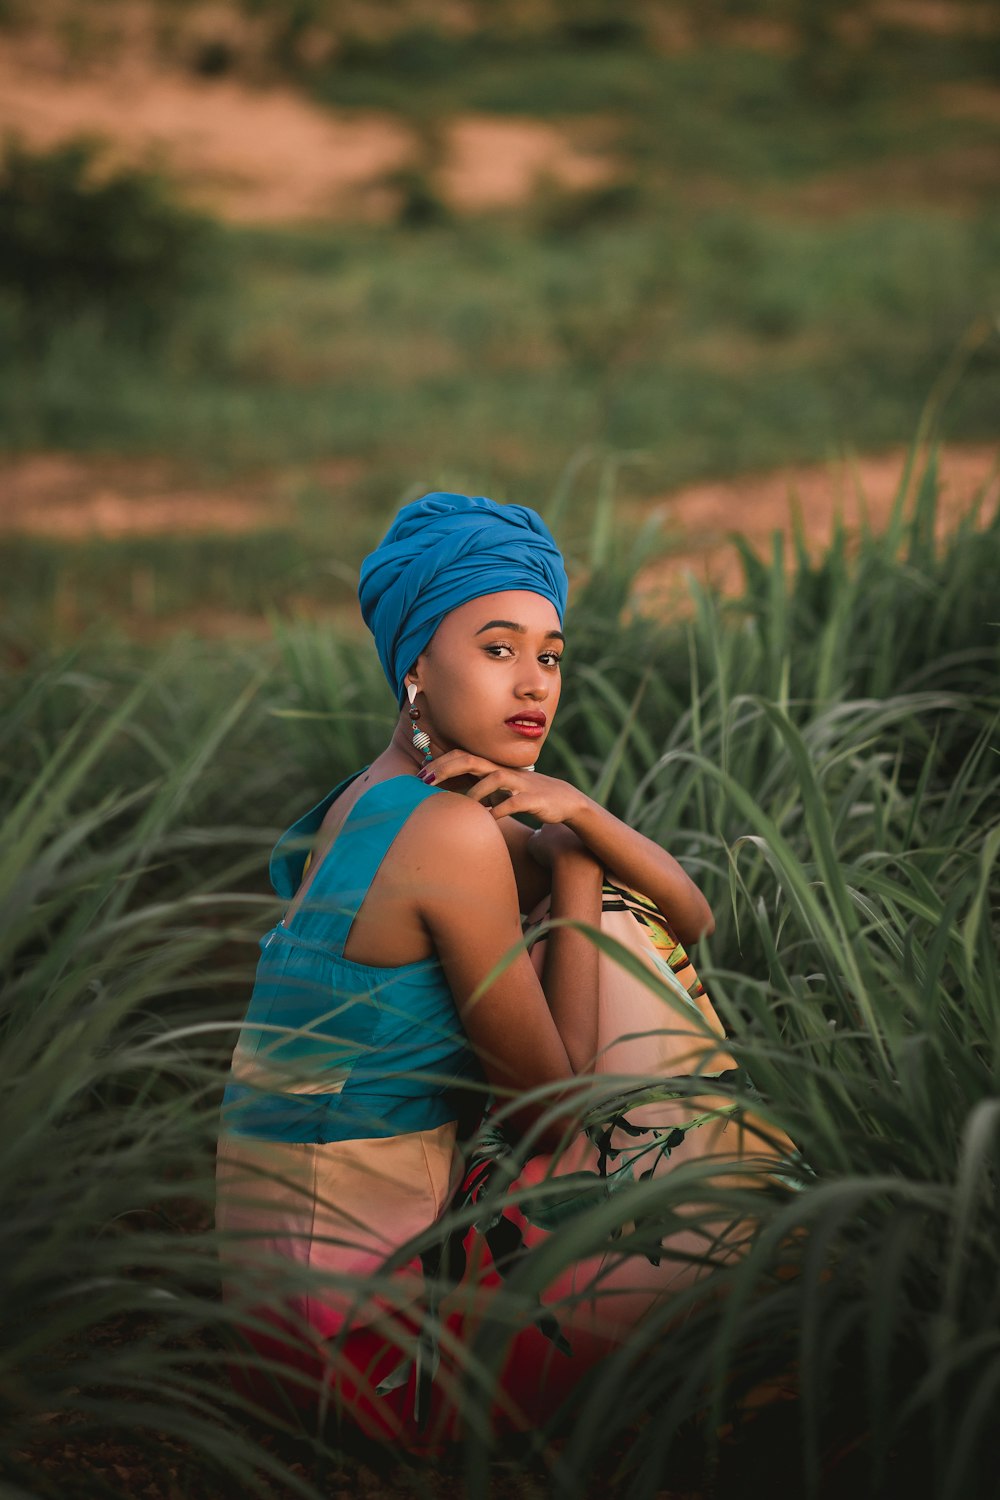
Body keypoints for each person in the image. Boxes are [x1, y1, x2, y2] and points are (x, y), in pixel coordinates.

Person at [216, 492, 791, 1446]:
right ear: (414, 665)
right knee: (717, 1195)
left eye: (550, 654)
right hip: (371, 1366)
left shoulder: (375, 800)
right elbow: (553, 1120)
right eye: (497, 648)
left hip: (282, 1331)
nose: (534, 685)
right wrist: (572, 865)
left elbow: (693, 916)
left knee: (619, 918)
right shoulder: (448, 834)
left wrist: (582, 816)